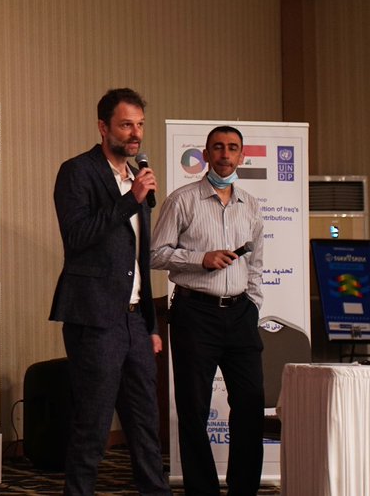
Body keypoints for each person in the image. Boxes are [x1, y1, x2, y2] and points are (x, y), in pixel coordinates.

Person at [50, 88, 170, 496]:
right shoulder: (77, 172)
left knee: (145, 422)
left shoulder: (137, 178)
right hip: (94, 317)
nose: (135, 134)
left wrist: (150, 325)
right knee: (93, 423)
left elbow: (139, 260)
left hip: (134, 320)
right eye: (126, 125)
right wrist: (128, 201)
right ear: (103, 128)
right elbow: (76, 236)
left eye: (139, 125)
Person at [150, 125, 265, 496]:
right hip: (195, 314)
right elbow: (155, 254)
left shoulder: (251, 205)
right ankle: (202, 491)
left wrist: (253, 305)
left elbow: (256, 264)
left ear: (241, 156)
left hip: (240, 314)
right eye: (218, 147)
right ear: (206, 154)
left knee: (250, 404)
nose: (225, 154)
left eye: (232, 148)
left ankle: (243, 489)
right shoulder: (182, 200)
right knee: (194, 408)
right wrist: (201, 258)